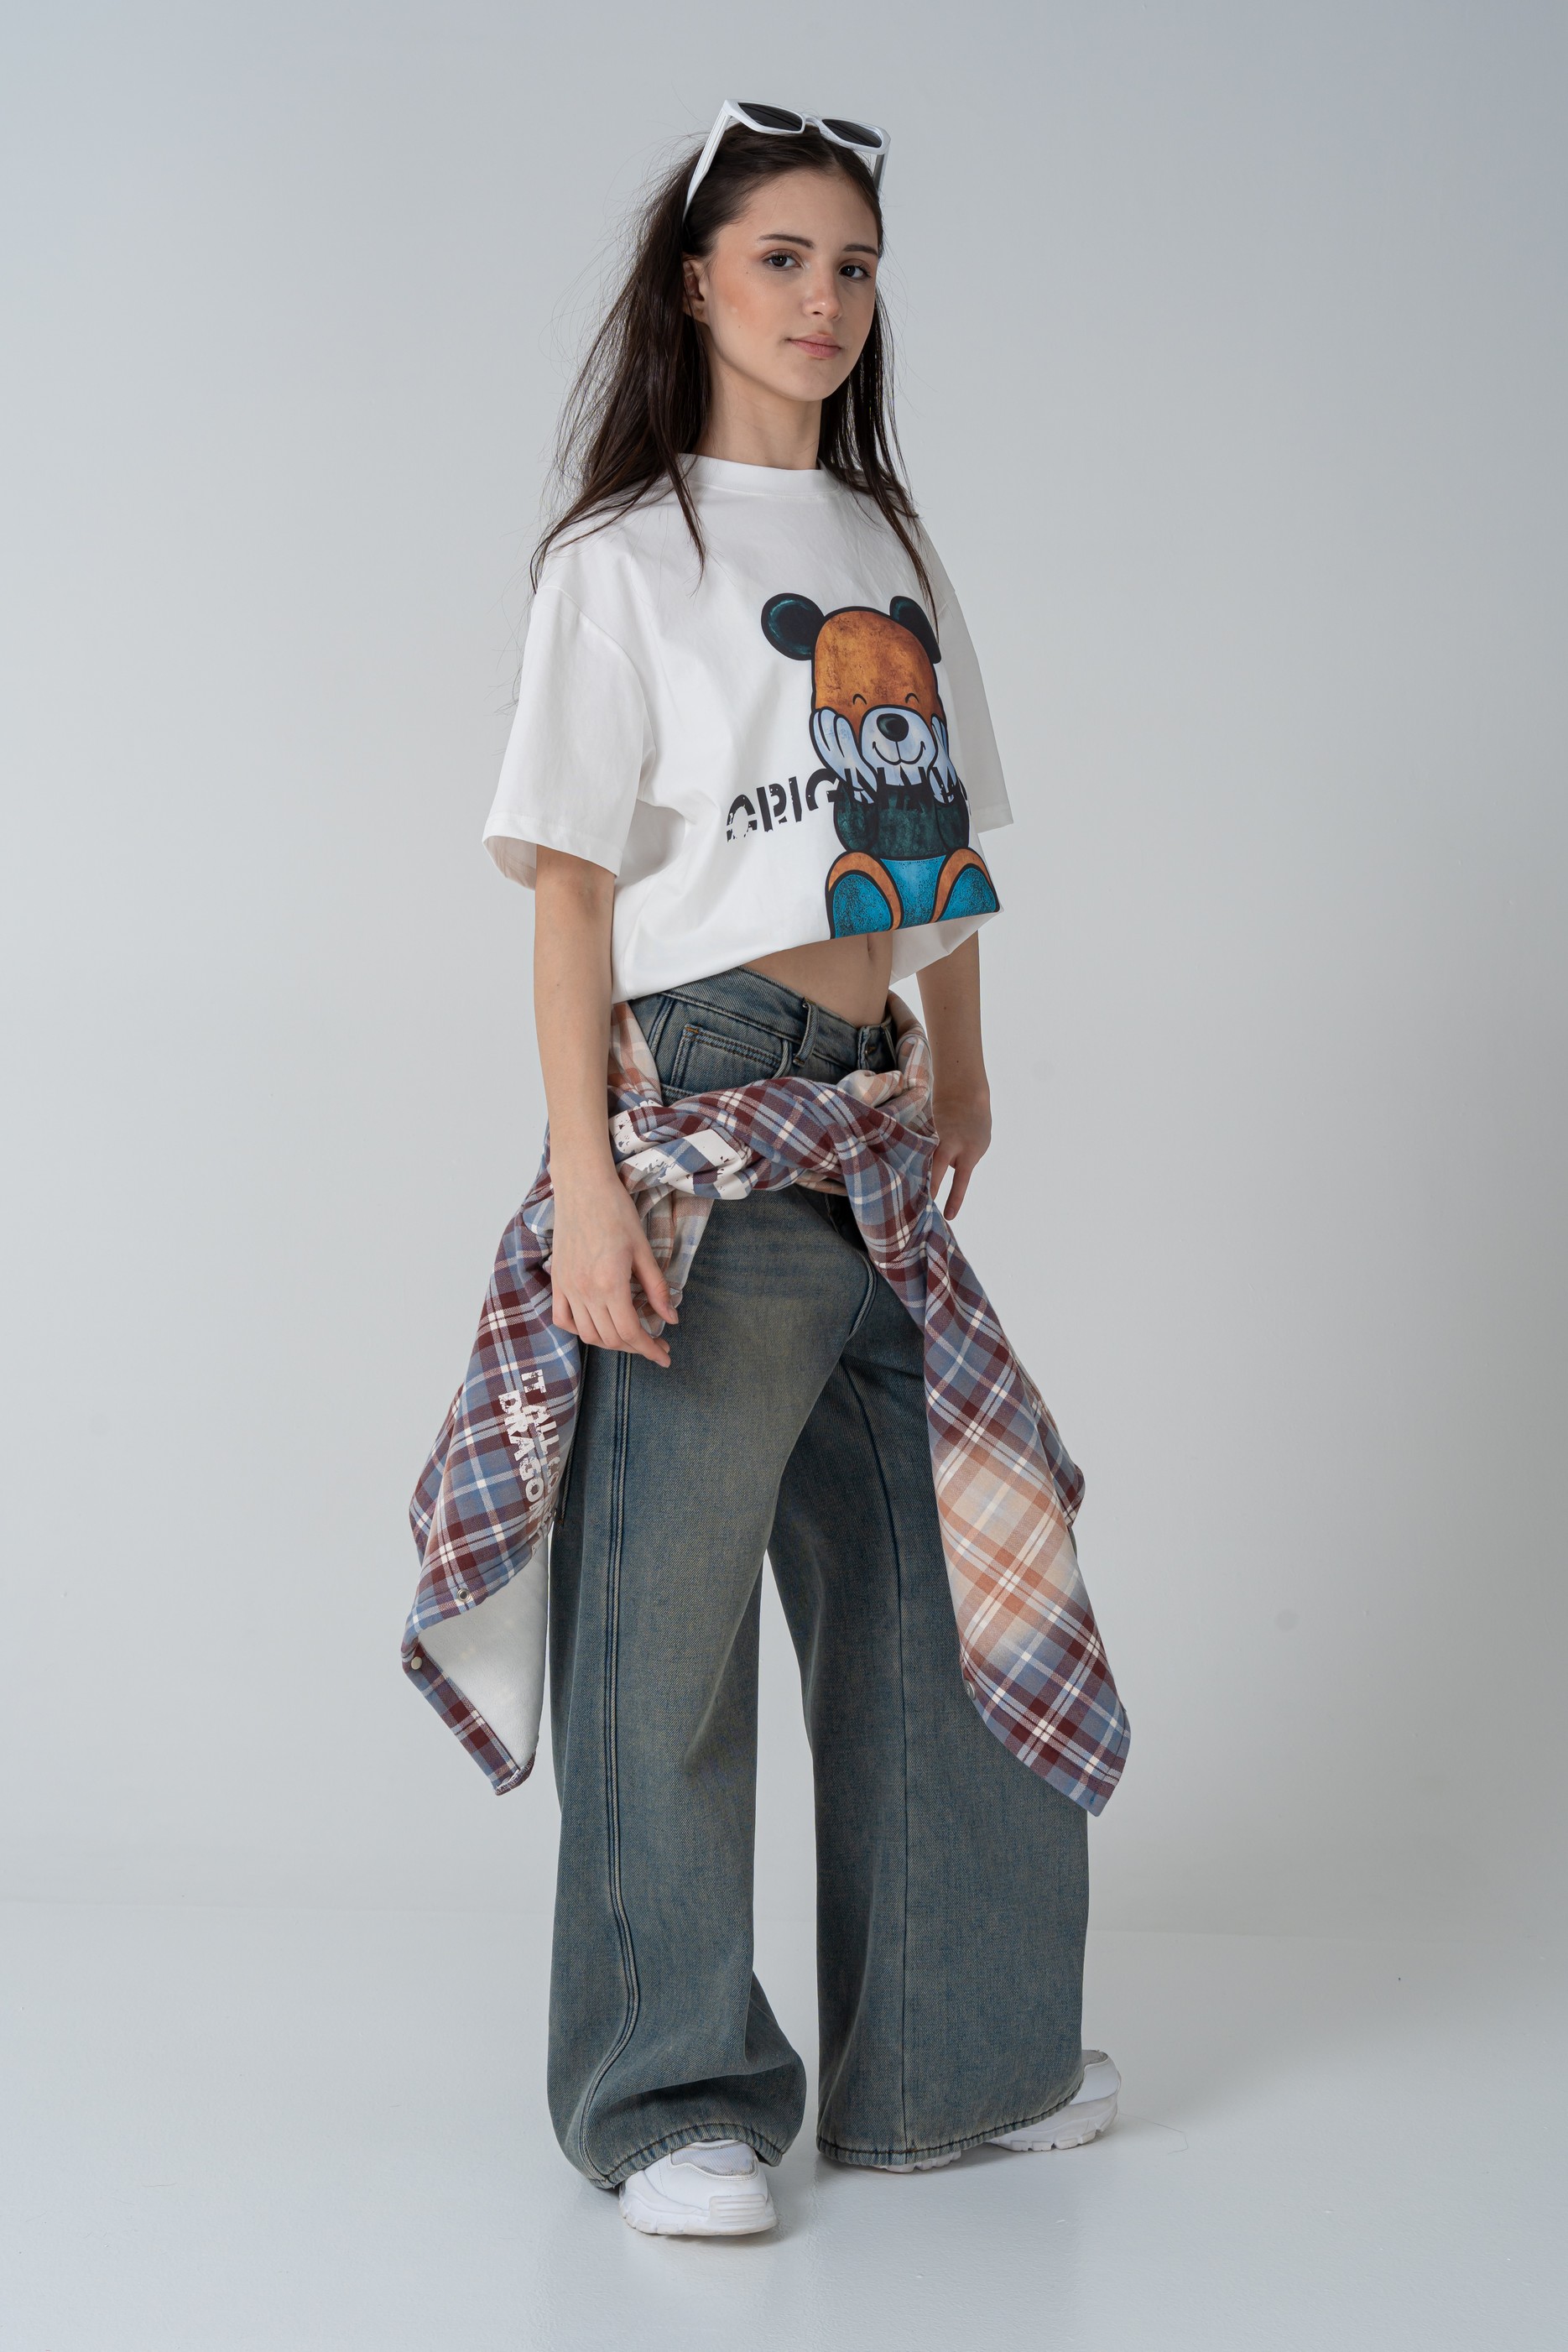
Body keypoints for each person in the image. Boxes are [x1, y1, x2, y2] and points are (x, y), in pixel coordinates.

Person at [481, 101, 1121, 2237]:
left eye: (852, 265)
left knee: (951, 1592)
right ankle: (667, 2096)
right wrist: (586, 1178)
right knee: (662, 1640)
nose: (823, 299)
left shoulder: (883, 545)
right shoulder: (622, 558)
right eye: (780, 257)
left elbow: (931, 838)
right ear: (693, 282)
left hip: (872, 1126)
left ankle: (951, 2067)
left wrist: (962, 1069)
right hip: (705, 1105)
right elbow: (570, 894)